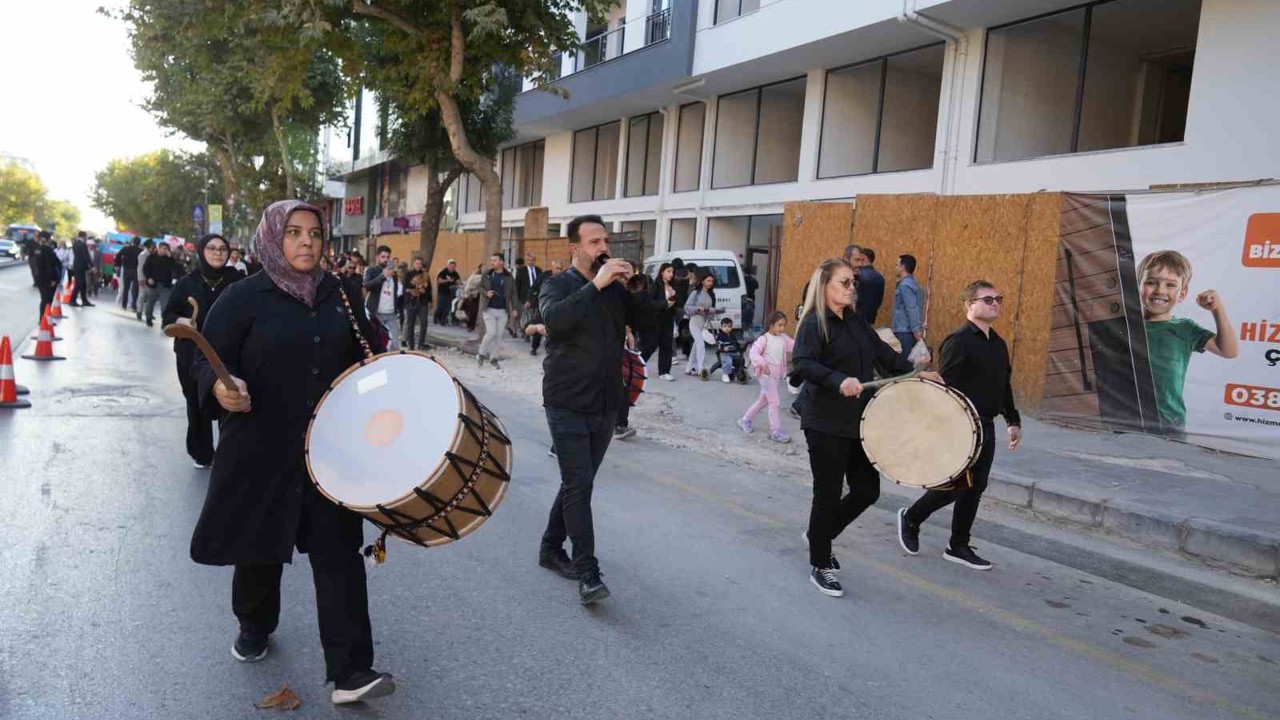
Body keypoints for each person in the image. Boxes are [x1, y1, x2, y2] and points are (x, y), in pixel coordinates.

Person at [190, 199, 394, 704]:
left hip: (329, 453)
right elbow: (204, 360)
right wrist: (220, 389)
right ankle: (254, 624)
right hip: (260, 450)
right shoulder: (242, 298)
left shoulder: (341, 295)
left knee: (339, 556)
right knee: (259, 550)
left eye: (315, 233)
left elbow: (370, 357)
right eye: (294, 232)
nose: (307, 242)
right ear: (272, 239)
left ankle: (350, 671)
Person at [792, 257, 941, 598]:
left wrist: (917, 373)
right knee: (827, 494)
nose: (851, 287)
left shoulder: (856, 322)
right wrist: (838, 379)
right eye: (844, 282)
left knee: (867, 490)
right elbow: (802, 365)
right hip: (824, 421)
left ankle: (820, 534)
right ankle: (821, 562)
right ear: (825, 286)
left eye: (852, 282)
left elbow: (883, 356)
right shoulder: (816, 323)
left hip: (859, 420)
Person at [538, 214, 653, 605]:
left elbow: (649, 323)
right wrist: (597, 286)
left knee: (578, 483)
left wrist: (639, 289)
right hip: (566, 400)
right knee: (579, 486)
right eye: (593, 242)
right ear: (575, 248)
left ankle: (551, 547)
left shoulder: (615, 289)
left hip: (606, 401)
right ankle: (587, 573)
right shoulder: (557, 284)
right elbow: (555, 320)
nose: (603, 248)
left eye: (605, 241)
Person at [897, 280, 1024, 571]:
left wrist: (1012, 420)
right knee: (957, 485)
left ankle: (958, 545)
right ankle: (912, 518)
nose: (995, 304)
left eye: (998, 299)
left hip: (987, 424)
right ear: (969, 305)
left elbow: (1003, 386)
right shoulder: (958, 341)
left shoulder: (1000, 344)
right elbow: (946, 389)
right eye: (988, 299)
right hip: (961, 425)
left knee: (975, 486)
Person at [162, 234, 244, 469]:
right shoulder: (187, 282)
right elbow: (168, 315)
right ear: (202, 252)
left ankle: (230, 454)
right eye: (211, 248)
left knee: (231, 402)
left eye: (222, 249)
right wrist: (182, 321)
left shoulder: (237, 281)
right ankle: (202, 452)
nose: (217, 253)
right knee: (196, 403)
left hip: (229, 354)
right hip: (191, 354)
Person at [1134, 250, 1238, 434]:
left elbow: (1228, 351)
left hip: (1168, 425)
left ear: (1182, 294)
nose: (1160, 290)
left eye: (1170, 285)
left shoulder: (1185, 328)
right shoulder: (1123, 325)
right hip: (1122, 419)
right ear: (1137, 286)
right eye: (1151, 282)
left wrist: (1217, 309)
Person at [740, 311, 795, 443]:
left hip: (775, 376)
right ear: (771, 325)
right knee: (774, 402)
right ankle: (775, 431)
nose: (782, 328)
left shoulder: (783, 338)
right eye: (779, 325)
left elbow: (795, 345)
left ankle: (745, 420)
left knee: (764, 400)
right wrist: (763, 364)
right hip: (766, 376)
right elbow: (753, 353)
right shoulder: (763, 339)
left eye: (783, 325)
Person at [477, 253, 515, 368]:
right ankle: (481, 354)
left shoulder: (508, 276)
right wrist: (486, 293)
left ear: (501, 262)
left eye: (495, 260)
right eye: (491, 260)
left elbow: (514, 293)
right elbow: (479, 287)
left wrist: (515, 309)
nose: (492, 262)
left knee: (499, 335)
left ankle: (494, 359)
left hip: (503, 311)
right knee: (491, 333)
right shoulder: (487, 274)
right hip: (489, 309)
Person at [363, 245, 403, 350]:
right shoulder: (372, 271)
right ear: (378, 257)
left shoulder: (394, 274)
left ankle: (392, 365)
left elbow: (395, 292)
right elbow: (367, 285)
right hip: (377, 314)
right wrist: (382, 276)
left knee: (394, 344)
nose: (386, 259)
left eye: (388, 257)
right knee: (378, 343)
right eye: (383, 257)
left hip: (391, 314)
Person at [646, 263, 679, 382]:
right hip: (656, 319)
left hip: (668, 319)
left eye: (672, 272)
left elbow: (677, 303)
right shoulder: (655, 286)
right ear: (662, 272)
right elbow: (649, 303)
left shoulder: (673, 286)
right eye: (668, 271)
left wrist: (674, 297)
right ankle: (637, 365)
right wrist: (665, 303)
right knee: (651, 345)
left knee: (667, 345)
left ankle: (664, 371)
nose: (671, 274)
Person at [683, 271, 718, 379]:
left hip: (703, 322)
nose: (710, 283)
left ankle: (689, 368)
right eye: (708, 280)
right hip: (694, 321)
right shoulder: (695, 293)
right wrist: (697, 308)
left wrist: (711, 312)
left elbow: (711, 313)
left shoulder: (711, 295)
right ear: (702, 281)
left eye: (712, 281)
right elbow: (687, 307)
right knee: (700, 344)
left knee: (696, 345)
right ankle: (700, 368)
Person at [891, 254, 924, 360]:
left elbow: (911, 308)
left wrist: (916, 330)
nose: (895, 268)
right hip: (908, 332)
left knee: (904, 365)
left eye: (897, 265)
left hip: (904, 332)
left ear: (902, 267)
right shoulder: (914, 284)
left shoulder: (905, 285)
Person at [528, 260, 561, 357]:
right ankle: (534, 347)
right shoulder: (544, 276)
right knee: (539, 325)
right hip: (543, 305)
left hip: (556, 306)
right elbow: (534, 287)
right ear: (552, 268)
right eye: (557, 268)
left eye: (561, 268)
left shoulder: (563, 277)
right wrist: (530, 300)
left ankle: (551, 347)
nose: (559, 271)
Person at [142, 242, 179, 327]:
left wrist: (171, 258)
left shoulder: (169, 259)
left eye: (167, 249)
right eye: (164, 249)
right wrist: (148, 278)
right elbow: (145, 269)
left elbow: (176, 268)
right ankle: (148, 318)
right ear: (159, 248)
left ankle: (164, 321)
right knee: (150, 303)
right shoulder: (151, 257)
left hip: (165, 285)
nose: (166, 251)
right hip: (153, 284)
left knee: (165, 304)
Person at [402, 257, 433, 351]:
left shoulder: (425, 275)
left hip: (423, 302)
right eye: (417, 263)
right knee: (411, 324)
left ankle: (421, 344)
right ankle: (411, 345)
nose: (418, 265)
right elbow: (406, 288)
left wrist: (430, 300)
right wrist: (416, 290)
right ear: (413, 264)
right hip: (411, 302)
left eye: (420, 263)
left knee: (424, 323)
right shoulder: (408, 274)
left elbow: (429, 289)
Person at [850, 246, 885, 325]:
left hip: (856, 318)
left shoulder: (858, 276)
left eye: (859, 259)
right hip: (870, 318)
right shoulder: (880, 277)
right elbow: (879, 300)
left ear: (864, 258)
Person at [33, 231, 62, 321]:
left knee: (46, 300)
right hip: (47, 279)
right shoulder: (46, 250)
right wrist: (53, 279)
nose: (51, 240)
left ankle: (45, 319)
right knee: (47, 300)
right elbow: (49, 265)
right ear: (45, 239)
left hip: (42, 278)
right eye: (49, 238)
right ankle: (43, 320)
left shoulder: (39, 249)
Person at [515, 251, 543, 339]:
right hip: (524, 296)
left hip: (535, 297)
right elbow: (517, 285)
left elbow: (540, 284)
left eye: (533, 260)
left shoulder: (539, 270)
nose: (531, 262)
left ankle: (531, 331)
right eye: (529, 260)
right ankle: (525, 332)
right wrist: (518, 298)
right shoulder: (521, 270)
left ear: (535, 261)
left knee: (534, 315)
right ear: (527, 260)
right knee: (526, 315)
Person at [671, 258, 693, 358]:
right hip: (686, 306)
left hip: (675, 306)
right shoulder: (686, 274)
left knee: (672, 330)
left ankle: (673, 355)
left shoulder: (673, 275)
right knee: (685, 329)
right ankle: (687, 353)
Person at [713, 317, 745, 383]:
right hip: (724, 353)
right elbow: (719, 344)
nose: (727, 328)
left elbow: (736, 344)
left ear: (732, 327)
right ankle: (725, 374)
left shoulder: (732, 336)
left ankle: (740, 372)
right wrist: (723, 348)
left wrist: (741, 348)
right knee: (728, 361)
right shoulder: (720, 336)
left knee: (741, 359)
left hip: (733, 353)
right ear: (721, 327)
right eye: (724, 326)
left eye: (729, 326)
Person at [117, 236, 141, 311]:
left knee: (126, 288)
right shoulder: (141, 251)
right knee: (135, 289)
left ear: (132, 241)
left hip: (127, 270)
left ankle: (124, 305)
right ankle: (133, 306)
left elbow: (118, 255)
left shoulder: (126, 248)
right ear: (139, 243)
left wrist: (118, 264)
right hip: (136, 270)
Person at [434, 260, 461, 326]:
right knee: (440, 306)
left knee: (448, 307)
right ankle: (436, 317)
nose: (452, 268)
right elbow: (439, 281)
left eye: (454, 266)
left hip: (450, 292)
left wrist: (458, 284)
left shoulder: (455, 273)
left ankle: (443, 320)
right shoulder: (443, 272)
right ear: (448, 266)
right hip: (442, 292)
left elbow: (457, 280)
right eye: (451, 266)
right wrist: (448, 280)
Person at [70, 232, 94, 306]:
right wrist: (91, 265)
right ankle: (72, 300)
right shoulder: (82, 244)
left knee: (83, 284)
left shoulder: (75, 244)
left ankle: (84, 300)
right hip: (81, 266)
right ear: (84, 236)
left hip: (77, 266)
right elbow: (86, 256)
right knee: (79, 284)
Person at [461, 263, 484, 331]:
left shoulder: (475, 276)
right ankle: (470, 325)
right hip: (474, 296)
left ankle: (471, 325)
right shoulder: (477, 277)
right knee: (473, 311)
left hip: (474, 295)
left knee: (473, 311)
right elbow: (469, 287)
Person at [136, 240, 154, 321]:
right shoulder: (143, 255)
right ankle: (139, 311)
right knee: (142, 295)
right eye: (153, 245)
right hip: (144, 278)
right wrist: (141, 279)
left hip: (150, 278)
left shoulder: (152, 254)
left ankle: (148, 313)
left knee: (150, 296)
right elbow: (140, 268)